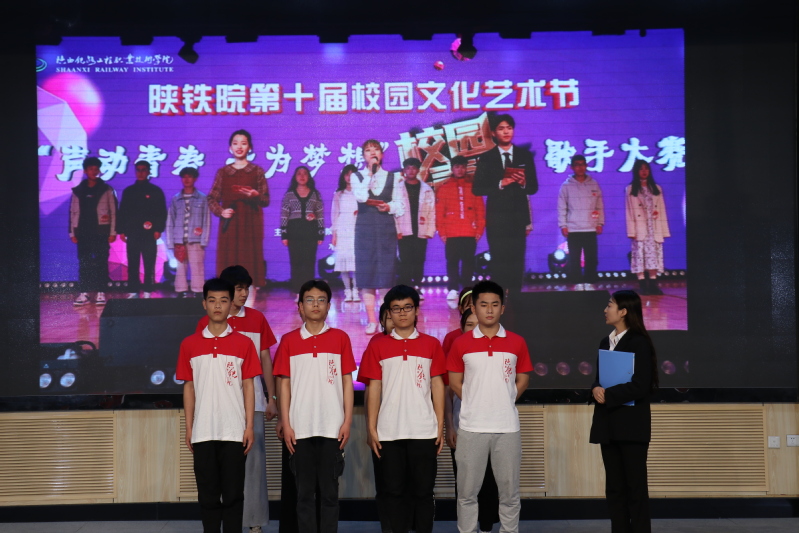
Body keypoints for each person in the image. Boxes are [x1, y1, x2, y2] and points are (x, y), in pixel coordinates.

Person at [195, 265, 278, 533]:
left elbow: (266, 359)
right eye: (239, 289)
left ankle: (254, 521)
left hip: (253, 404)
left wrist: (271, 396)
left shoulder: (257, 318)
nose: (244, 294)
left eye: (246, 288)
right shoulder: (206, 323)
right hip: (218, 407)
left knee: (253, 468)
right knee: (220, 472)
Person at [358, 285, 446, 533]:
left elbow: (438, 385)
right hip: (389, 432)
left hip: (423, 430)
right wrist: (371, 428)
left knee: (423, 492)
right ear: (389, 313)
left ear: (416, 310)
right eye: (396, 309)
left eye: (407, 307)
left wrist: (440, 425)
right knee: (393, 493)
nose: (402, 313)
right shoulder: (378, 346)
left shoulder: (431, 344)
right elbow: (374, 388)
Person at [176, 278, 261, 533]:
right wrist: (189, 427)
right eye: (212, 300)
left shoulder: (244, 343)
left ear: (230, 304)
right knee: (208, 496)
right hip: (203, 432)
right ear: (204, 303)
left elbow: (248, 387)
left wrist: (249, 427)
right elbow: (189, 387)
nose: (217, 306)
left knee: (234, 495)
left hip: (234, 432)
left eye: (223, 300)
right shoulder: (189, 344)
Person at [447, 280, 532, 533]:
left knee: (509, 493)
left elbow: (523, 378)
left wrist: (506, 398)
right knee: (467, 493)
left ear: (502, 308)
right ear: (474, 308)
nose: (490, 310)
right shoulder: (461, 343)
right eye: (483, 304)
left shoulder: (517, 342)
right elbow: (454, 382)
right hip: (471, 427)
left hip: (507, 428)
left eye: (495, 304)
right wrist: (475, 401)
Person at [273, 279, 355, 533]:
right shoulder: (288, 340)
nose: (315, 304)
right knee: (304, 495)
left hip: (332, 428)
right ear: (300, 306)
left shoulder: (340, 338)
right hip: (300, 429)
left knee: (330, 494)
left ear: (329, 306)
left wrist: (347, 421)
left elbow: (347, 382)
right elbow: (283, 385)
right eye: (309, 300)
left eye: (321, 300)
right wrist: (287, 423)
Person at [590, 290, 659, 533]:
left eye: (610, 305)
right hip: (608, 424)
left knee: (635, 490)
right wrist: (595, 388)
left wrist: (609, 395)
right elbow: (599, 379)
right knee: (615, 489)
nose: (605, 310)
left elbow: (641, 385)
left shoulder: (639, 342)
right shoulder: (605, 342)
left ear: (623, 311)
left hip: (632, 427)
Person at [444, 309, 500, 533]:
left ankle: (486, 527)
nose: (474, 328)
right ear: (461, 328)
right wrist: (450, 426)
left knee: (489, 482)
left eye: (478, 323)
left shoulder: (498, 352)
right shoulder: (457, 354)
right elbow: (448, 392)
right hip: (463, 426)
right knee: (465, 485)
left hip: (494, 426)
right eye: (469, 324)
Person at [472, 114, 537, 295]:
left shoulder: (524, 155)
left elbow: (534, 187)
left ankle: (516, 295)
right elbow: (477, 189)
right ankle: (499, 295)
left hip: (518, 217)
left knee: (517, 258)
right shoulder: (487, 158)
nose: (506, 132)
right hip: (497, 218)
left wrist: (523, 183)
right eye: (501, 128)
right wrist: (501, 183)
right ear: (494, 133)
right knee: (499, 258)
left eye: (509, 128)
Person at [351, 140, 408, 334]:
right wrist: (370, 173)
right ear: (363, 156)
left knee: (385, 275)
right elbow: (360, 196)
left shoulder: (393, 177)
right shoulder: (357, 176)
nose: (372, 152)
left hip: (385, 229)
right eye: (368, 150)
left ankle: (385, 319)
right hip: (365, 230)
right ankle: (371, 320)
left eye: (375, 149)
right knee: (366, 275)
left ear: (382, 154)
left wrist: (389, 206)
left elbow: (400, 206)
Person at [208, 129, 270, 288]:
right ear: (230, 148)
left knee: (250, 265)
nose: (239, 147)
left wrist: (255, 195)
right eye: (235, 143)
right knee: (229, 264)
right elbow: (211, 198)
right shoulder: (223, 172)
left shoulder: (257, 171)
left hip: (250, 224)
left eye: (243, 143)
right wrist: (221, 211)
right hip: (230, 224)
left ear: (250, 147)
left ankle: (249, 302)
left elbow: (265, 200)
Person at [69, 156, 118, 307]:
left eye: (96, 169)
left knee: (101, 262)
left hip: (101, 232)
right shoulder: (78, 190)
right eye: (91, 169)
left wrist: (113, 232)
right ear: (85, 171)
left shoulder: (106, 189)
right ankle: (84, 292)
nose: (94, 171)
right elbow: (72, 212)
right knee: (84, 262)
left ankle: (101, 292)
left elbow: (113, 211)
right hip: (83, 232)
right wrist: (72, 233)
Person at [437, 157, 486, 300]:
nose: (460, 170)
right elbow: (440, 213)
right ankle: (452, 288)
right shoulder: (444, 188)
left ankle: (467, 288)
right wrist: (442, 232)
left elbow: (480, 211)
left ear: (466, 168)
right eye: (457, 167)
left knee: (468, 261)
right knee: (452, 261)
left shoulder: (473, 188)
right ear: (452, 168)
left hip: (469, 232)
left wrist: (479, 231)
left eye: (463, 167)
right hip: (451, 233)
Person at [117, 160, 167, 299]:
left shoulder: (156, 191)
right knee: (133, 263)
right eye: (138, 170)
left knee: (149, 263)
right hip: (133, 233)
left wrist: (158, 229)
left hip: (149, 234)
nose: (140, 173)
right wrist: (121, 230)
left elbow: (161, 212)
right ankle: (133, 290)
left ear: (149, 171)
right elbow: (123, 212)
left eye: (143, 170)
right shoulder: (129, 191)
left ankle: (147, 291)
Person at [557, 154, 605, 290]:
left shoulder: (593, 184)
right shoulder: (566, 186)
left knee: (591, 258)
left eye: (582, 164)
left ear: (586, 166)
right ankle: (576, 283)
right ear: (572, 167)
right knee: (574, 259)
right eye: (577, 165)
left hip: (590, 227)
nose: (580, 167)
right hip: (573, 228)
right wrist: (563, 225)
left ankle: (591, 282)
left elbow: (599, 206)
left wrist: (599, 223)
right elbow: (562, 207)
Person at [626, 160, 670, 296]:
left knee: (654, 256)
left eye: (646, 168)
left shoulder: (656, 188)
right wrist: (631, 231)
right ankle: (642, 284)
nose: (644, 171)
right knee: (640, 255)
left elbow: (662, 210)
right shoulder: (631, 189)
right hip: (640, 227)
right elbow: (629, 212)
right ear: (636, 171)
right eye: (641, 169)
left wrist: (664, 230)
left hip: (654, 227)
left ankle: (653, 284)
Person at [165, 167, 210, 297]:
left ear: (195, 178)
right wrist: (171, 242)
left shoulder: (202, 198)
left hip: (196, 240)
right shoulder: (176, 199)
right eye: (184, 177)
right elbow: (170, 221)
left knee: (197, 267)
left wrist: (204, 240)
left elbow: (206, 220)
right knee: (180, 268)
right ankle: (181, 291)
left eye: (189, 176)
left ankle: (198, 291)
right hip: (179, 240)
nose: (186, 179)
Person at [281, 166, 325, 295]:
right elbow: (284, 215)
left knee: (309, 261)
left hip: (310, 231)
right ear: (295, 177)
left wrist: (320, 234)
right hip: (294, 231)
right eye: (299, 173)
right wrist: (284, 234)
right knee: (296, 261)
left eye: (305, 173)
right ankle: (297, 290)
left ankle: (308, 290)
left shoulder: (315, 194)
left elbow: (320, 215)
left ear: (309, 177)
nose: (302, 176)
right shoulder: (289, 195)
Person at [396, 157, 436, 291]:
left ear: (418, 170)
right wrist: (397, 230)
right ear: (404, 170)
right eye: (408, 168)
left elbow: (432, 211)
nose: (411, 171)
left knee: (419, 259)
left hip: (421, 230)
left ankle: (417, 286)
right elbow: (393, 211)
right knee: (405, 260)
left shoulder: (426, 189)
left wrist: (430, 231)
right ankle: (405, 287)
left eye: (413, 168)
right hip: (403, 230)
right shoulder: (397, 188)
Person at [331, 165, 360, 302]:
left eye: (352, 174)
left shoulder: (361, 193)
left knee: (356, 262)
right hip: (343, 228)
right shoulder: (339, 194)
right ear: (343, 177)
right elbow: (334, 214)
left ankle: (356, 291)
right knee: (343, 262)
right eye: (347, 174)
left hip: (357, 228)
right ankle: (347, 291)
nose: (349, 177)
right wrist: (334, 234)